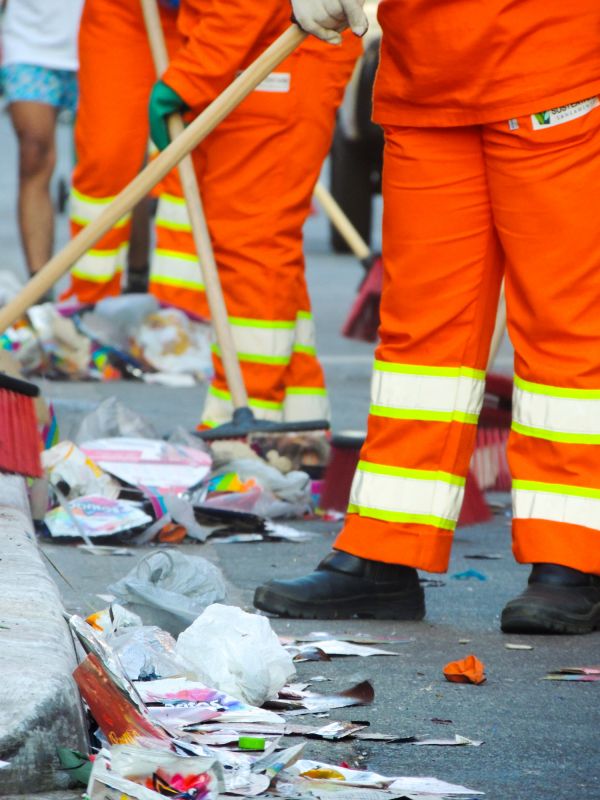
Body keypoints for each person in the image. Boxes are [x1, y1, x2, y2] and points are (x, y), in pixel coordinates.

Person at [253, 0, 600, 634]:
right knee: (420, 341)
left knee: (564, 326)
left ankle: (573, 556)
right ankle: (386, 547)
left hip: (547, 62)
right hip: (426, 74)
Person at [148, 0, 362, 428]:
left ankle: (246, 417)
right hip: (266, 49)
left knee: (253, 243)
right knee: (267, 240)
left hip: (279, 51)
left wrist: (189, 79)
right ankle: (297, 420)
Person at [61, 0, 203, 312]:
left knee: (190, 167)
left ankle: (178, 322)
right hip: (122, 14)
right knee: (106, 157)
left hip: (210, 21)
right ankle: (90, 303)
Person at [1, 0, 83, 277]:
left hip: (104, 44)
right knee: (34, 151)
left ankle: (133, 279)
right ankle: (40, 287)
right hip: (28, 47)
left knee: (115, 161)